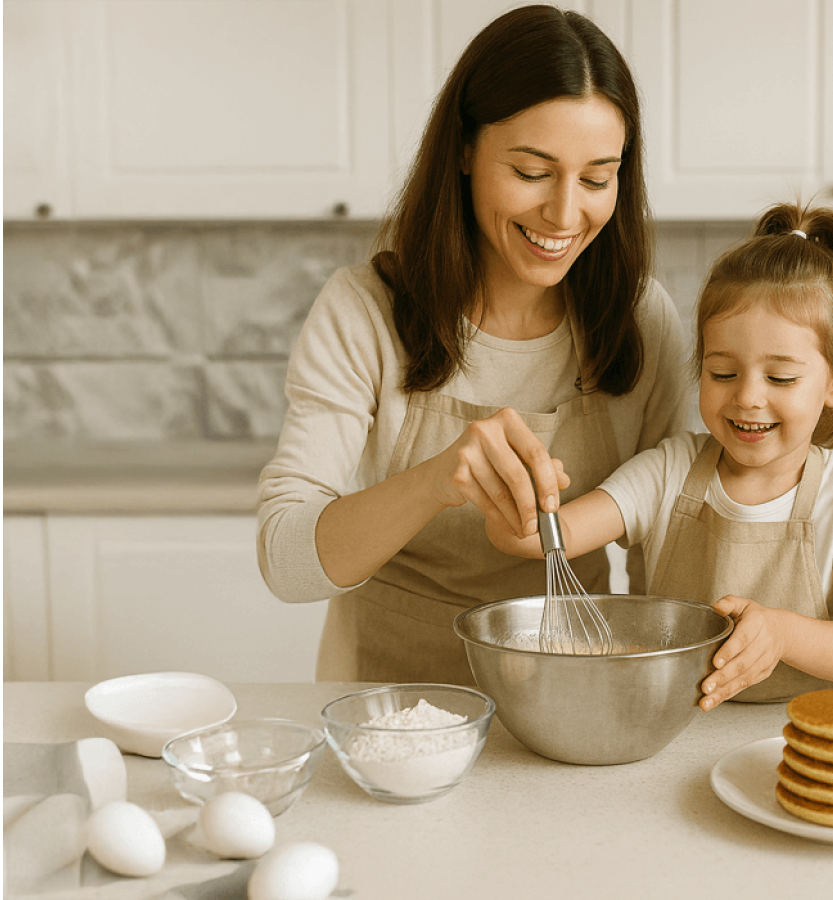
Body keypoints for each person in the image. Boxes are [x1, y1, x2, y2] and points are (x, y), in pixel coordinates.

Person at [257, 6, 690, 683]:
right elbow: (285, 563)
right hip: (392, 701)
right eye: (531, 171)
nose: (565, 213)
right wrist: (437, 479)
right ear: (463, 149)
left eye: (598, 177)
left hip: (574, 692)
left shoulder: (641, 319)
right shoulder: (364, 311)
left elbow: (670, 533)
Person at [488, 201, 833, 710]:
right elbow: (558, 535)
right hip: (668, 728)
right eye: (723, 373)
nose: (748, 396)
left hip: (794, 738)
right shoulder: (669, 470)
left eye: (780, 377)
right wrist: (518, 511)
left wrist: (781, 633)